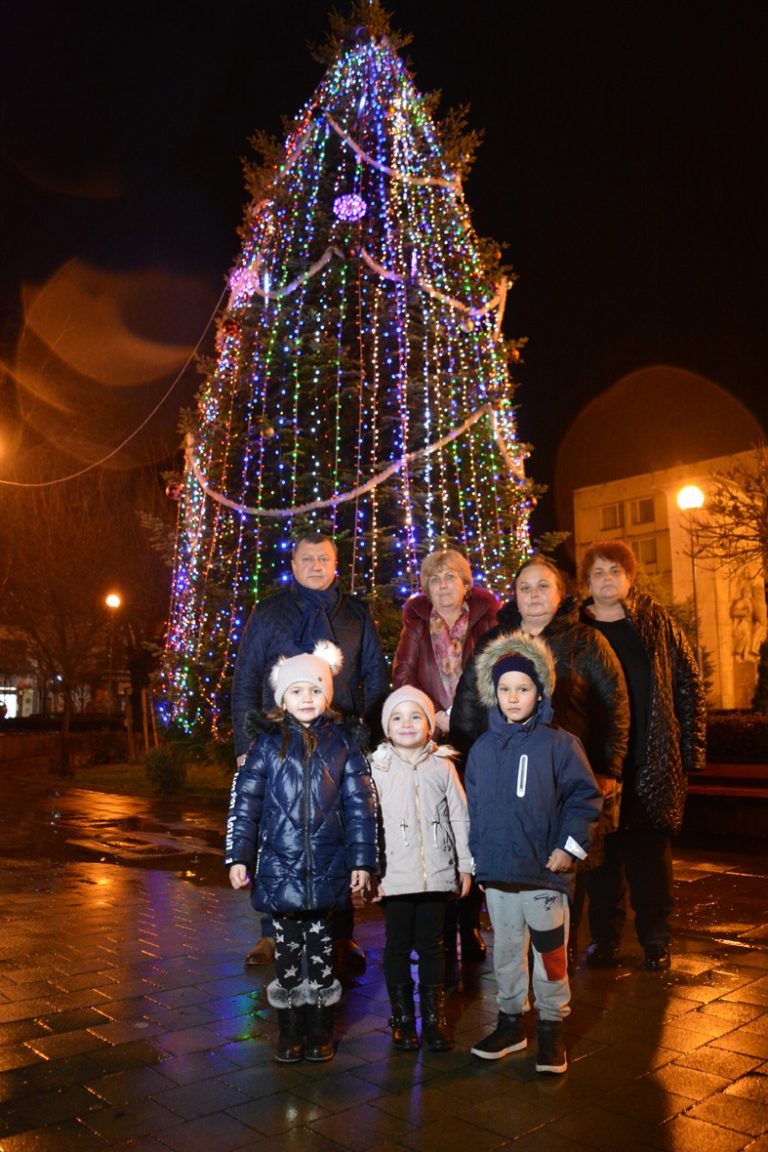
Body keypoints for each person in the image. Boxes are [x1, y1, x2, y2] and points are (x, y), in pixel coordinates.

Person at [450, 555, 629, 964]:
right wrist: (464, 766)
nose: (533, 594)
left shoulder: (586, 641)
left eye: (542, 586)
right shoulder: (494, 641)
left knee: (563, 866)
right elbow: (468, 705)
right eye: (525, 587)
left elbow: (613, 705)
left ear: (560, 594)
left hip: (562, 773)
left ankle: (556, 958)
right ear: (514, 595)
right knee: (515, 866)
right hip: (505, 777)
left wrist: (609, 767)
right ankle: (518, 968)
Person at [231, 532, 389, 967]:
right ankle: (271, 933)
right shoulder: (270, 613)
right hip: (278, 746)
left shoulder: (356, 614)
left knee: (334, 835)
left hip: (339, 746)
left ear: (336, 563)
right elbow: (246, 678)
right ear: (294, 564)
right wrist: (246, 746)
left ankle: (340, 934)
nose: (316, 566)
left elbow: (374, 678)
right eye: (307, 558)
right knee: (277, 837)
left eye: (324, 558)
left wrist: (370, 741)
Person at [225, 642, 377, 1063]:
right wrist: (239, 856)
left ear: (326, 696)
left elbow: (362, 807)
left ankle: (320, 1031)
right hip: (280, 871)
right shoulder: (265, 747)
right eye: (296, 692)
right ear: (282, 699)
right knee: (288, 956)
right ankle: (289, 1030)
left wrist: (363, 862)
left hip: (328, 871)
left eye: (314, 690)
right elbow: (245, 805)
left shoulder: (344, 746)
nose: (306, 699)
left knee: (323, 955)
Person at [466, 632, 602, 1074]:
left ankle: (551, 1027)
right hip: (500, 875)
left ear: (539, 691)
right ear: (493, 692)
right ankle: (510, 1023)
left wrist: (570, 848)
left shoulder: (559, 745)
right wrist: (476, 860)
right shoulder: (483, 750)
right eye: (504, 689)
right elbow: (475, 810)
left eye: (522, 688)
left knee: (550, 955)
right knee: (506, 952)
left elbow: (584, 800)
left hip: (545, 874)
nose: (513, 697)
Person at [578, 540, 706, 971]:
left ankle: (655, 937)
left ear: (630, 578)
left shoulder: (656, 624)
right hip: (597, 762)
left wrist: (691, 751)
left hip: (650, 756)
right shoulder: (575, 626)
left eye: (615, 571)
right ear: (587, 582)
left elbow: (689, 685)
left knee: (651, 855)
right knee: (601, 858)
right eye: (598, 573)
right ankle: (605, 939)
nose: (607, 580)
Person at [393, 548, 498, 964]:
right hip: (434, 736)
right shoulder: (416, 623)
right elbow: (402, 674)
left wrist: (470, 712)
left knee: (473, 828)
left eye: (451, 577)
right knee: (439, 831)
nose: (443, 586)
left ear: (465, 584)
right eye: (435, 579)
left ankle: (470, 923)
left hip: (480, 736)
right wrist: (430, 713)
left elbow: (498, 668)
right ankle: (441, 924)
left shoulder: (487, 619)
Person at [370, 686, 472, 1053]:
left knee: (433, 946)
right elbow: (368, 823)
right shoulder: (376, 768)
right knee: (396, 946)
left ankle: (433, 1020)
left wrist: (465, 865)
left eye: (416, 716)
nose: (406, 724)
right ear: (387, 727)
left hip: (436, 876)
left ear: (430, 725)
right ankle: (401, 1020)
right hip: (395, 877)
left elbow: (459, 816)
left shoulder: (442, 766)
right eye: (397, 717)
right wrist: (370, 871)